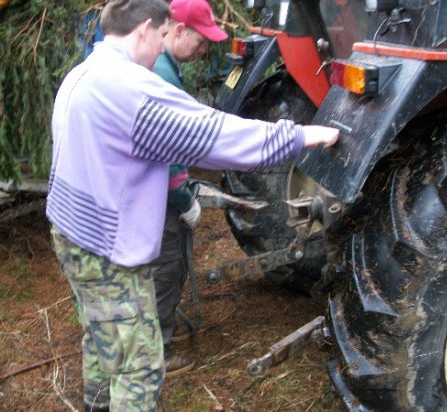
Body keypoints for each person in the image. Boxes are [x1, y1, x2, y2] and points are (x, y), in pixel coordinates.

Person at [47, 0, 339, 411]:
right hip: (106, 251)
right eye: (164, 34)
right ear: (147, 28)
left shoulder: (83, 74)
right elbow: (215, 136)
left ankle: (96, 405)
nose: (161, 47)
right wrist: (300, 137)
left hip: (71, 234)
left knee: (102, 336)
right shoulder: (132, 89)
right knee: (139, 368)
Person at [150, 0, 228, 378]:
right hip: (159, 197)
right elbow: (166, 153)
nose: (203, 49)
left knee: (171, 264)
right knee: (165, 267)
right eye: (200, 40)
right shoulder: (161, 74)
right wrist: (183, 199)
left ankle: (161, 331)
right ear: (178, 30)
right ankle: (157, 353)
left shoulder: (166, 66)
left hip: (157, 193)